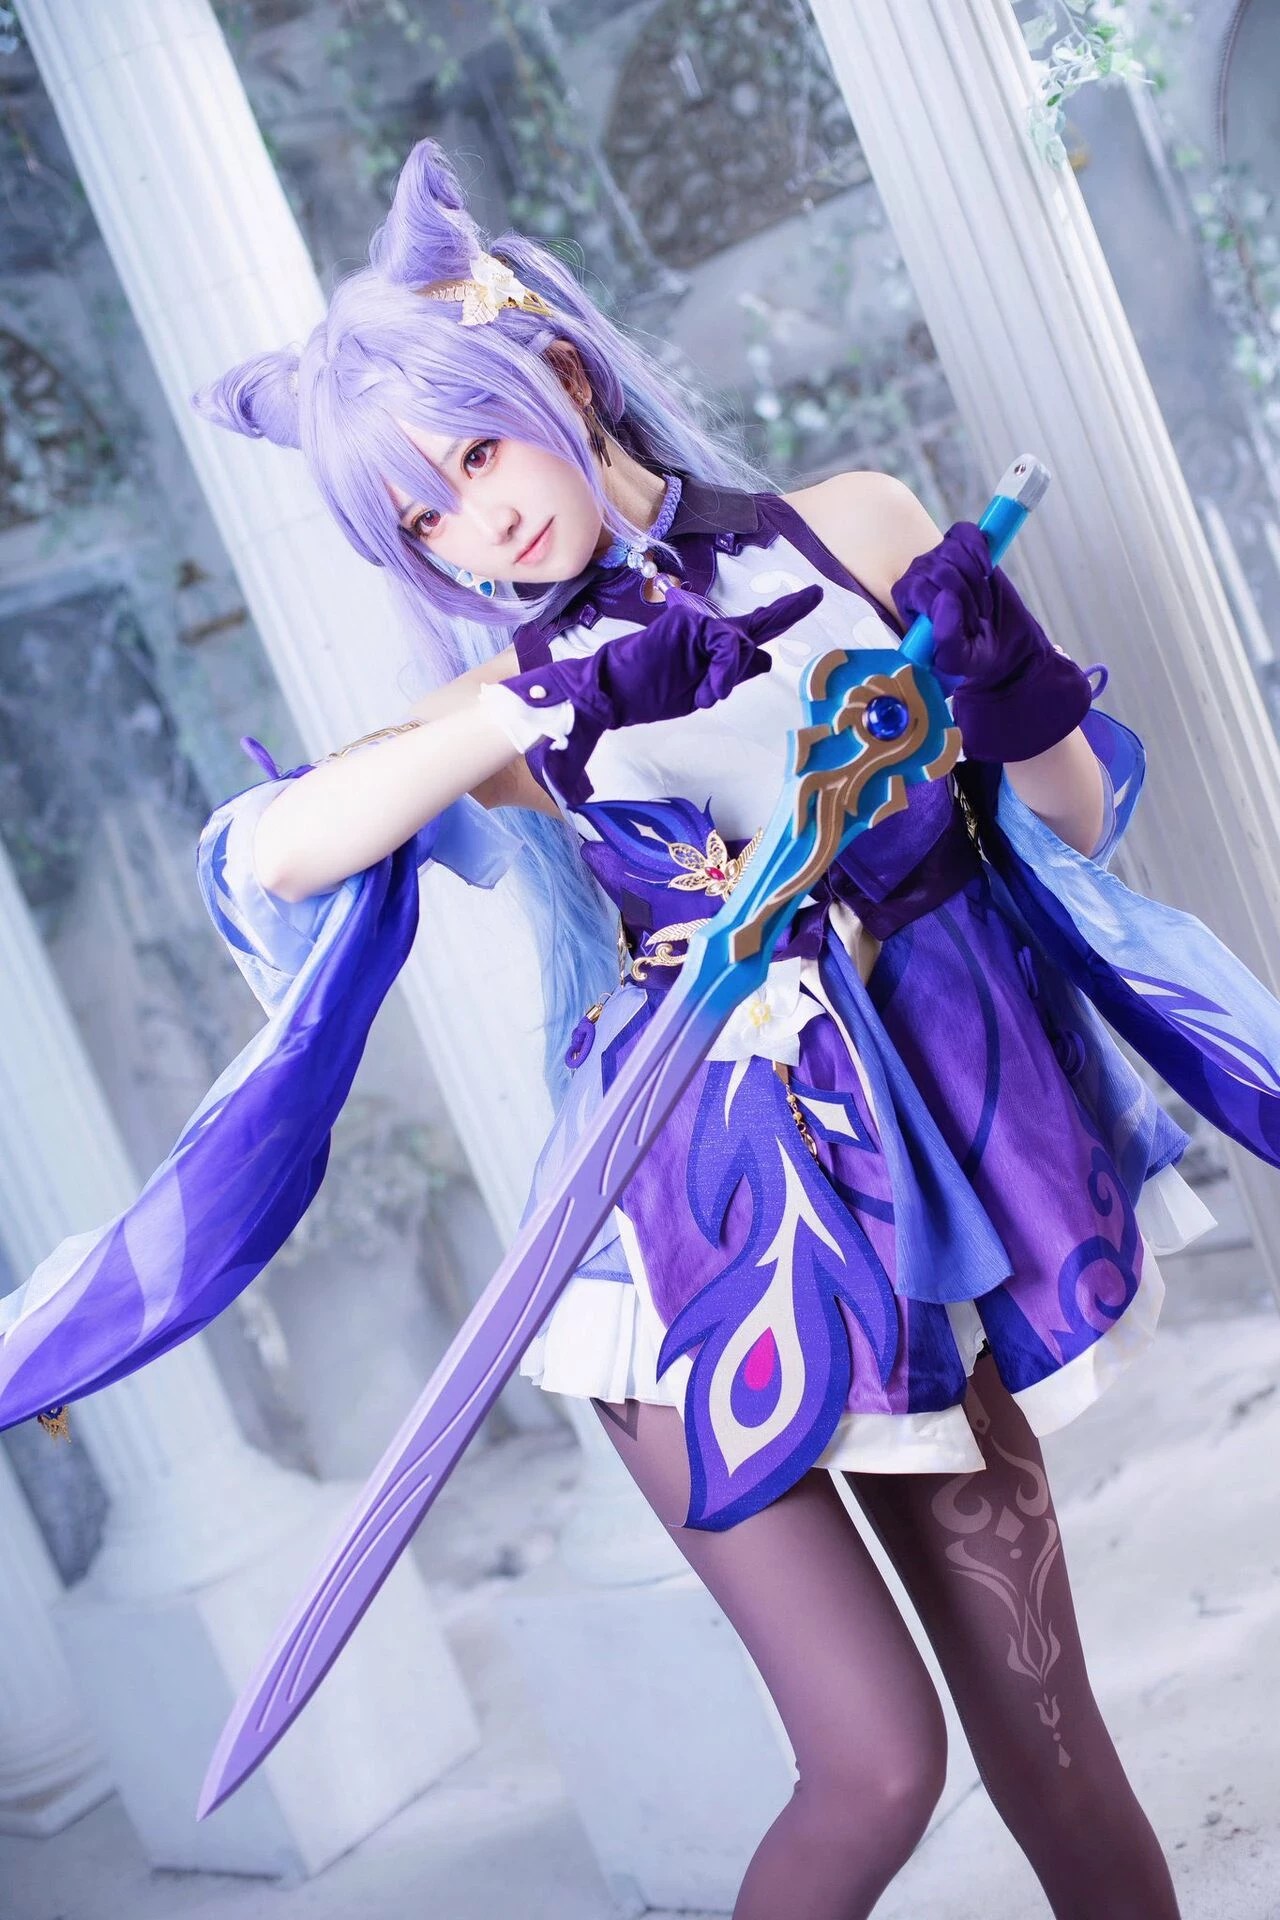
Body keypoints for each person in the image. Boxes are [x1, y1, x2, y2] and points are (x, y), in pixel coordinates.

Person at [6, 136, 1280, 1916]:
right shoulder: (516, 698)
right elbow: (277, 853)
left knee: (1051, 1733)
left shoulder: (857, 526)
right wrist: (541, 698)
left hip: (914, 1211)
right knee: (876, 1765)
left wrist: (1008, 680)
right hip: (674, 1247)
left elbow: (1062, 824)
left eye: (475, 454)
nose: (478, 526)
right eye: (423, 518)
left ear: (563, 371)